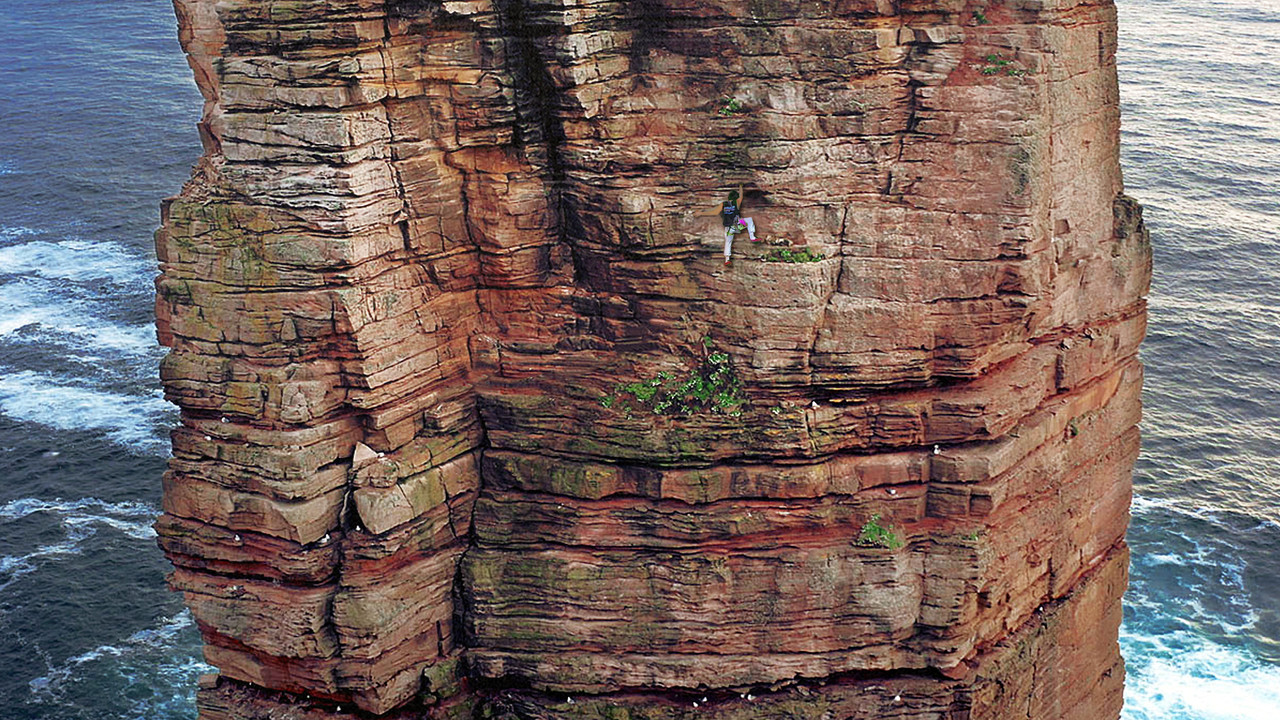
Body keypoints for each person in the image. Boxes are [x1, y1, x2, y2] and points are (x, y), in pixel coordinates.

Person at [708, 185, 757, 265]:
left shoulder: (723, 204)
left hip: (728, 228)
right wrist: (740, 186)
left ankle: (727, 259)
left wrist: (701, 213)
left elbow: (715, 212)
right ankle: (752, 237)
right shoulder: (736, 203)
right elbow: (741, 196)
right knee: (749, 221)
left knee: (728, 242)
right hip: (738, 224)